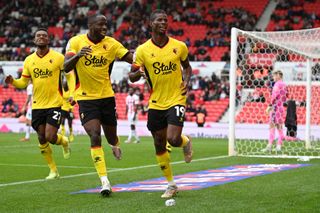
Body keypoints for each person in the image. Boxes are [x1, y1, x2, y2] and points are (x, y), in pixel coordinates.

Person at [64, 14, 133, 197]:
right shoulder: (76, 42)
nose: (105, 27)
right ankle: (105, 180)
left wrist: (146, 58)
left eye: (106, 24)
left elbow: (131, 57)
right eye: (101, 24)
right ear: (90, 25)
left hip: (107, 98)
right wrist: (79, 55)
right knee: (95, 135)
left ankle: (115, 143)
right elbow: (66, 67)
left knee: (111, 137)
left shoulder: (111, 43)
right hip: (86, 98)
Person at [129, 9, 193, 199]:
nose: (164, 23)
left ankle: (185, 141)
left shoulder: (179, 46)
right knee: (159, 142)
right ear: (151, 24)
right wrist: (136, 74)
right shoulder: (142, 50)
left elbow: (187, 67)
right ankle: (171, 184)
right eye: (159, 20)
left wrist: (186, 82)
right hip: (156, 101)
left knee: (173, 139)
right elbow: (132, 75)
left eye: (166, 20)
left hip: (176, 97)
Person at [5, 28, 72, 180]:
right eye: (38, 36)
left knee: (49, 136)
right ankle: (53, 171)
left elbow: (69, 75)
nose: (41, 37)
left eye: (44, 36)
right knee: (41, 138)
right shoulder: (29, 60)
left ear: (48, 40)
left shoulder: (58, 58)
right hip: (37, 106)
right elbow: (23, 82)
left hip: (55, 103)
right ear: (34, 40)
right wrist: (13, 82)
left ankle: (64, 141)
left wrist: (73, 92)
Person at [263, 70, 287, 152]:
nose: (273, 77)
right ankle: (279, 146)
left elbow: (274, 96)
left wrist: (270, 105)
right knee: (280, 127)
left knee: (272, 126)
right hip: (281, 108)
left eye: (274, 76)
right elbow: (285, 97)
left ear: (279, 75)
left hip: (275, 107)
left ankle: (269, 145)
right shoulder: (284, 84)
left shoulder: (277, 84)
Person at [60, 77, 75, 142]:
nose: (64, 84)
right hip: (63, 108)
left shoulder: (70, 92)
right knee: (62, 121)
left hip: (69, 109)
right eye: (63, 83)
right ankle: (63, 135)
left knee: (70, 123)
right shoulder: (62, 91)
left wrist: (71, 108)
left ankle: (71, 134)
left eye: (65, 83)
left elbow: (73, 101)